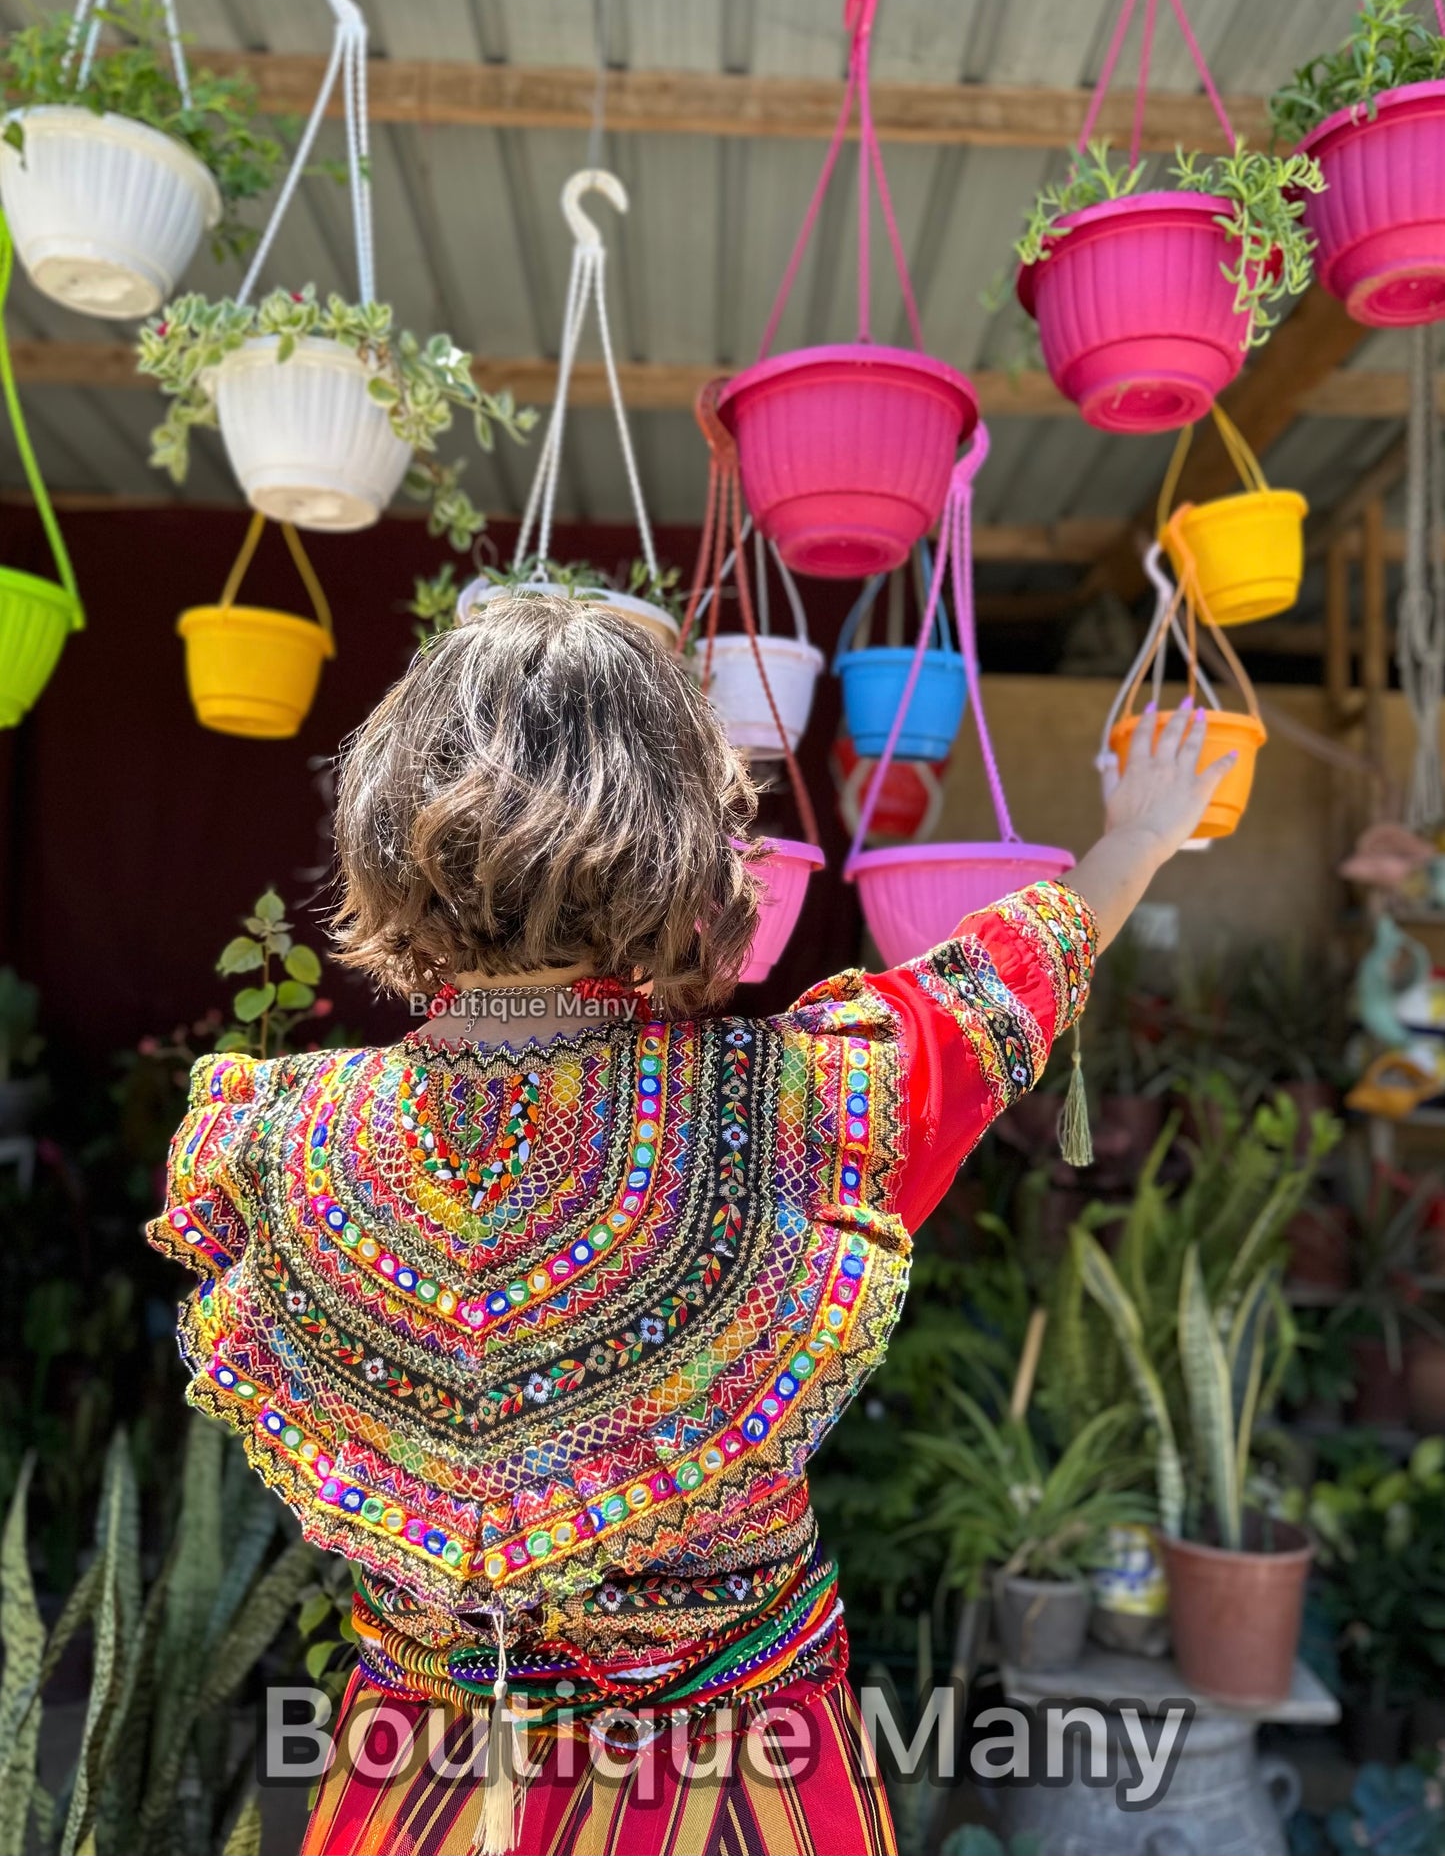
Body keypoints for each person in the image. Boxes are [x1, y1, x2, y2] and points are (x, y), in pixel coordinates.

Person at [149, 596, 1233, 1856]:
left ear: (390, 822)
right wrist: (1139, 836)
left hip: (421, 1790)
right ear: (683, 836)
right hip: (737, 1790)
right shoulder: (798, 1108)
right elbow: (993, 990)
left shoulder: (286, 1141)